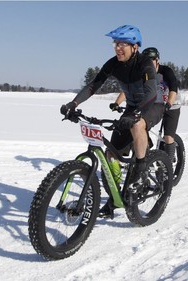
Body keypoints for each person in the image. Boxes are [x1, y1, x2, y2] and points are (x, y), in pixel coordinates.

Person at [60, 25, 164, 219]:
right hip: (132, 108)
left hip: (152, 105)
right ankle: (117, 197)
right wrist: (73, 103)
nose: (118, 48)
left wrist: (136, 113)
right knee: (111, 155)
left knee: (137, 124)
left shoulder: (145, 63)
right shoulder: (113, 63)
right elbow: (94, 85)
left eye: (123, 44)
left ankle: (141, 168)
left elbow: (151, 93)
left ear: (134, 46)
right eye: (116, 43)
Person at [111, 47, 181, 161]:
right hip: (154, 104)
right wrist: (116, 103)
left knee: (168, 137)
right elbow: (128, 90)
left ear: (157, 60)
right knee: (139, 125)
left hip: (172, 105)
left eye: (151, 59)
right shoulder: (143, 72)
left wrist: (168, 104)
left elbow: (173, 88)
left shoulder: (165, 71)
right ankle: (144, 152)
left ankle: (168, 164)